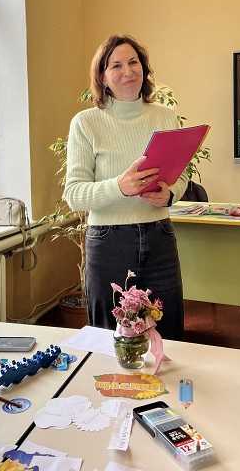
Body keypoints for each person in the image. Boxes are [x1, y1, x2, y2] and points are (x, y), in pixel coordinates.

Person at [63, 34, 187, 340]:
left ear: (144, 68)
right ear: (102, 77)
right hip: (108, 241)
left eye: (133, 62)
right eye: (116, 65)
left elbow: (181, 177)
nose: (127, 71)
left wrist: (170, 194)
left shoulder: (166, 117)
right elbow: (74, 194)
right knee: (110, 338)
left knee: (170, 332)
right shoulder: (86, 122)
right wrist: (120, 186)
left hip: (159, 235)